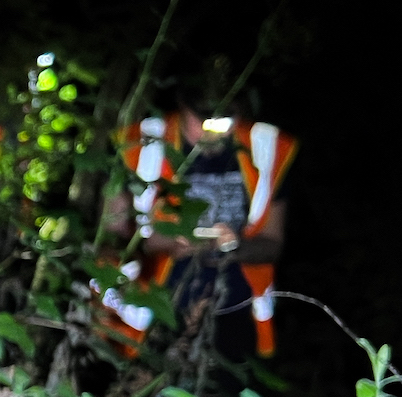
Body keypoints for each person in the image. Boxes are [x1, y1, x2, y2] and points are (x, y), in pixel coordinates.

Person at [98, 89, 298, 363]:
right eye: (205, 120)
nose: (215, 132)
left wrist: (234, 246)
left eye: (226, 121)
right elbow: (109, 237)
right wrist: (156, 244)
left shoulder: (267, 147)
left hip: (233, 309)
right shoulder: (138, 143)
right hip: (155, 310)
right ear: (182, 104)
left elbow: (272, 243)